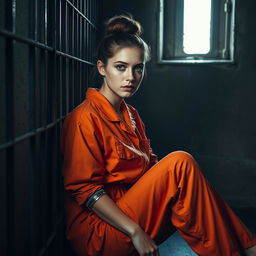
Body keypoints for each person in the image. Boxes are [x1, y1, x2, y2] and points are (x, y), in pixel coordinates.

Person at [60, 15, 256, 256]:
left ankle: (248, 248)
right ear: (102, 68)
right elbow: (86, 191)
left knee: (191, 186)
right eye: (120, 67)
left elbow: (152, 171)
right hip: (100, 233)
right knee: (180, 163)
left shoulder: (130, 115)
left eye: (138, 68)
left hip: (132, 212)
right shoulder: (84, 118)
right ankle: (246, 249)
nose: (130, 77)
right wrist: (135, 231)